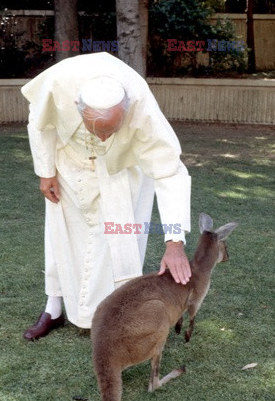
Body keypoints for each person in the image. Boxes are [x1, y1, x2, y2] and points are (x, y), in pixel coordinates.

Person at [21, 52, 191, 341]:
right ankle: (54, 308)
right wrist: (46, 170)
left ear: (125, 111)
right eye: (95, 129)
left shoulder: (142, 110)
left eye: (108, 131)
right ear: (78, 107)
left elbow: (169, 172)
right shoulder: (59, 83)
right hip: (69, 164)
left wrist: (174, 243)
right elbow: (40, 123)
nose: (101, 138)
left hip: (120, 169)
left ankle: (117, 312)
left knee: (118, 240)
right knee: (61, 234)